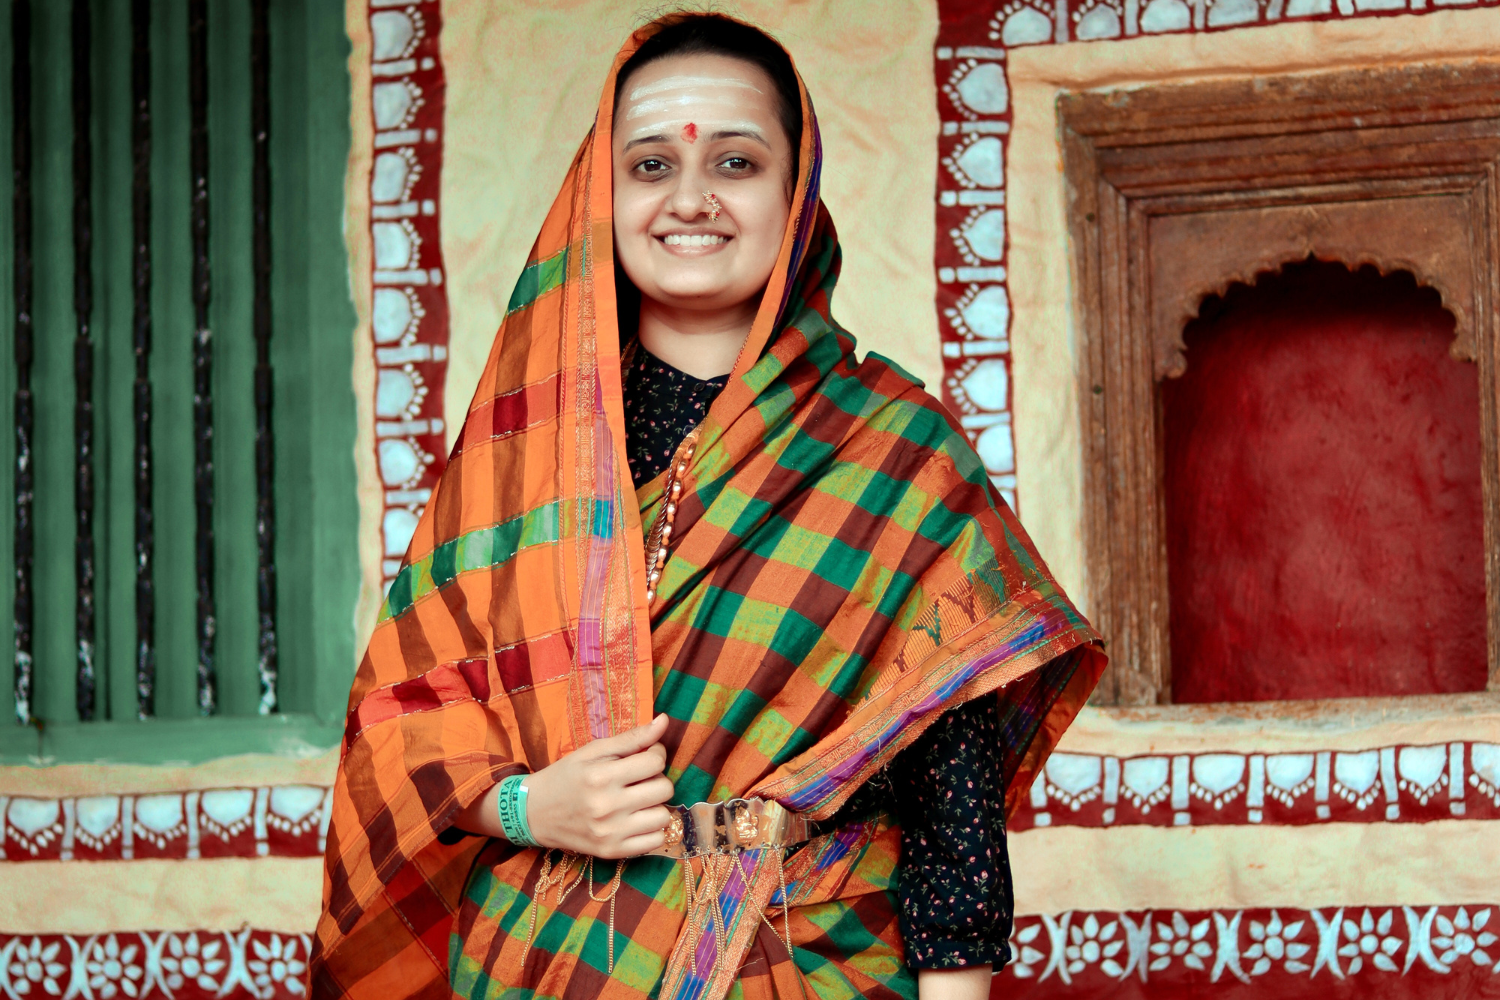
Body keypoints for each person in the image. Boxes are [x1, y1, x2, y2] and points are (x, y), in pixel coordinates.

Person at [311, 13, 1104, 1000]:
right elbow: (400, 729)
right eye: (649, 166)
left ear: (795, 193)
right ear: (601, 197)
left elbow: (956, 832)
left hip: (804, 961)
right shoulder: (518, 466)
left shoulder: (900, 457)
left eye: (735, 161)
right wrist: (526, 804)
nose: (690, 198)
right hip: (538, 964)